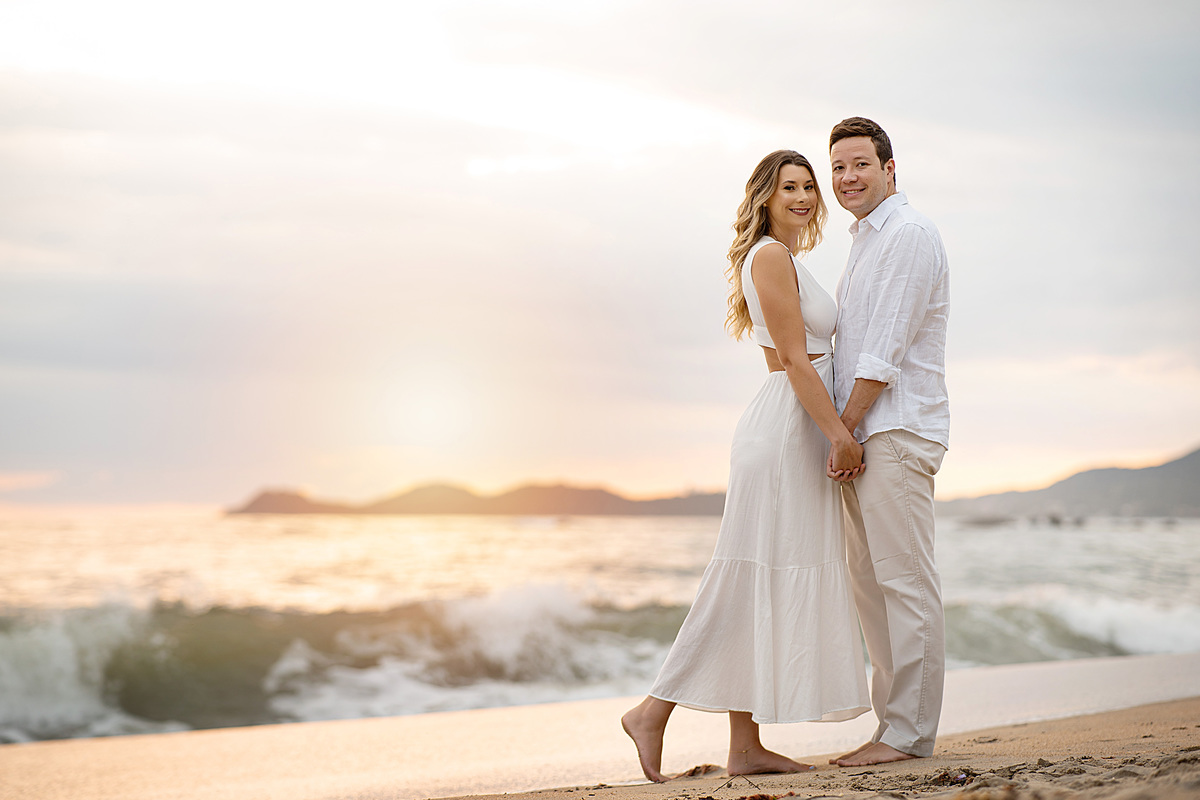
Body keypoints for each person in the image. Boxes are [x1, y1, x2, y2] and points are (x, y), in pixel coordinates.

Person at [621, 150, 870, 783]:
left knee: (758, 582)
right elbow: (794, 359)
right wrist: (839, 434)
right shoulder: (767, 256)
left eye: (810, 187)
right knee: (743, 580)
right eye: (791, 186)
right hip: (787, 430)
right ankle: (652, 712)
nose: (805, 197)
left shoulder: (786, 259)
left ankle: (745, 747)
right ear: (764, 196)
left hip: (795, 428)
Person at [824, 117, 951, 767]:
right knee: (870, 586)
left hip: (893, 429)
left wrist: (844, 428)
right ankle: (890, 727)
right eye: (839, 167)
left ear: (890, 168)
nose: (847, 178)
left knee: (904, 584)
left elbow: (883, 350)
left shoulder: (907, 234)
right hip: (864, 431)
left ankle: (908, 735)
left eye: (861, 165)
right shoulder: (864, 242)